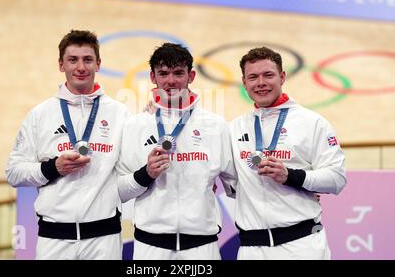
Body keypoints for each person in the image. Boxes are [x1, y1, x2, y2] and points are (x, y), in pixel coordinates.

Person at [6, 30, 129, 260]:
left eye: (87, 59)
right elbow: (14, 173)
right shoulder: (40, 115)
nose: (80, 67)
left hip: (104, 240)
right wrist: (53, 168)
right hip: (54, 240)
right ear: (61, 65)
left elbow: (134, 168)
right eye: (73, 60)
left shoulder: (120, 114)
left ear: (98, 64)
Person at [116, 43, 237, 260]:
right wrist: (146, 174)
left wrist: (297, 188)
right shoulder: (134, 126)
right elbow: (120, 191)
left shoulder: (216, 125)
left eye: (178, 73)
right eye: (163, 73)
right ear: (152, 77)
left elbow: (236, 185)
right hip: (150, 246)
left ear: (191, 75)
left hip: (202, 247)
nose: (171, 81)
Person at [230, 46, 346, 260]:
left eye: (268, 75)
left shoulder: (312, 123)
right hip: (251, 250)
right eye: (253, 77)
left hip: (302, 246)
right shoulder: (234, 128)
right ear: (244, 82)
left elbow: (337, 179)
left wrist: (291, 176)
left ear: (282, 77)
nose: (261, 83)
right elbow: (231, 183)